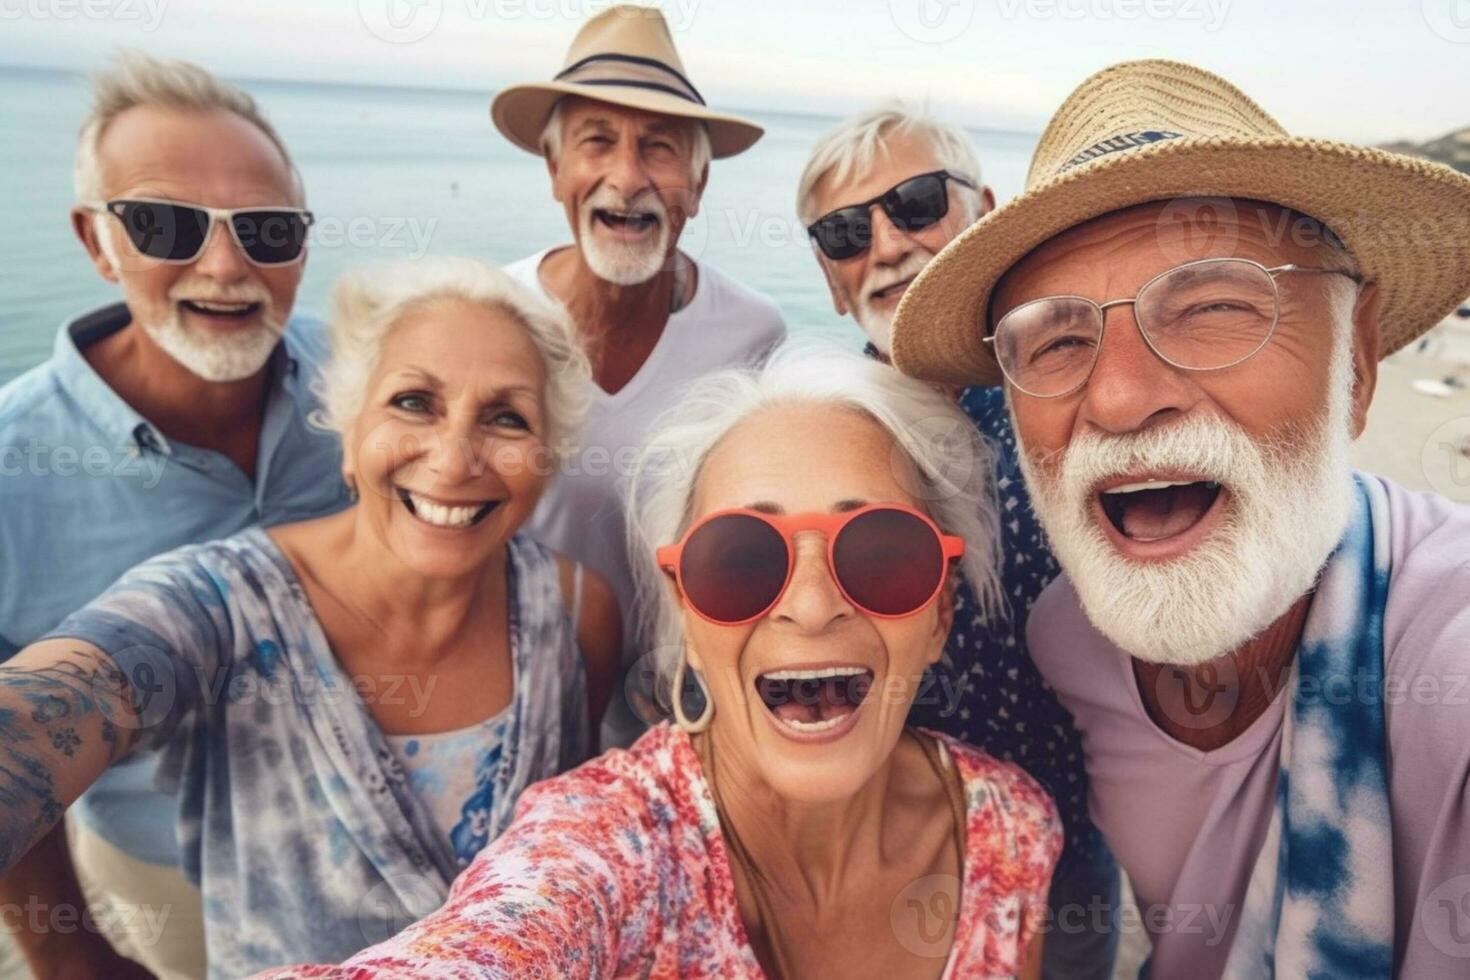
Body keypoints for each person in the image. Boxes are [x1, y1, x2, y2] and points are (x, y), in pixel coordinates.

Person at [892, 59, 1470, 978]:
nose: (1119, 397)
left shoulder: (1446, 651)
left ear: (1355, 367)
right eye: (1058, 340)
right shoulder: (1068, 641)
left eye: (1210, 307)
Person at [257, 342, 1060, 979]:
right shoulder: (607, 848)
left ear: (942, 608)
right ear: (683, 606)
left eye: (883, 553)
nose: (812, 605)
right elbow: (500, 937)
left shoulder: (1012, 829)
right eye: (740, 558)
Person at [0, 257, 621, 977]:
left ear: (548, 458)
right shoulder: (218, 605)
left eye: (507, 417)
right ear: (350, 433)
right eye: (414, 402)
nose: (453, 460)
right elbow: (67, 697)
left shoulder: (577, 614)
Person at [0, 51, 346, 979]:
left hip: (378, 838)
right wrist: (62, 947)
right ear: (96, 239)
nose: (226, 265)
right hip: (169, 875)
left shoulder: (373, 386)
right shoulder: (11, 469)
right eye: (166, 225)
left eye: (268, 231)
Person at [797, 103, 1119, 978]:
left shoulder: (1083, 385)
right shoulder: (823, 435)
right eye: (842, 232)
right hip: (898, 857)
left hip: (1082, 844)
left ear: (982, 208)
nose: (887, 245)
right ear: (830, 282)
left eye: (913, 203)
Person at [491, 5, 787, 744]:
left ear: (698, 180)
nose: (626, 179)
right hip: (512, 705)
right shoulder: (490, 315)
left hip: (679, 717)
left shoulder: (753, 332)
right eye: (597, 143)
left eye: (659, 149)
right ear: (557, 169)